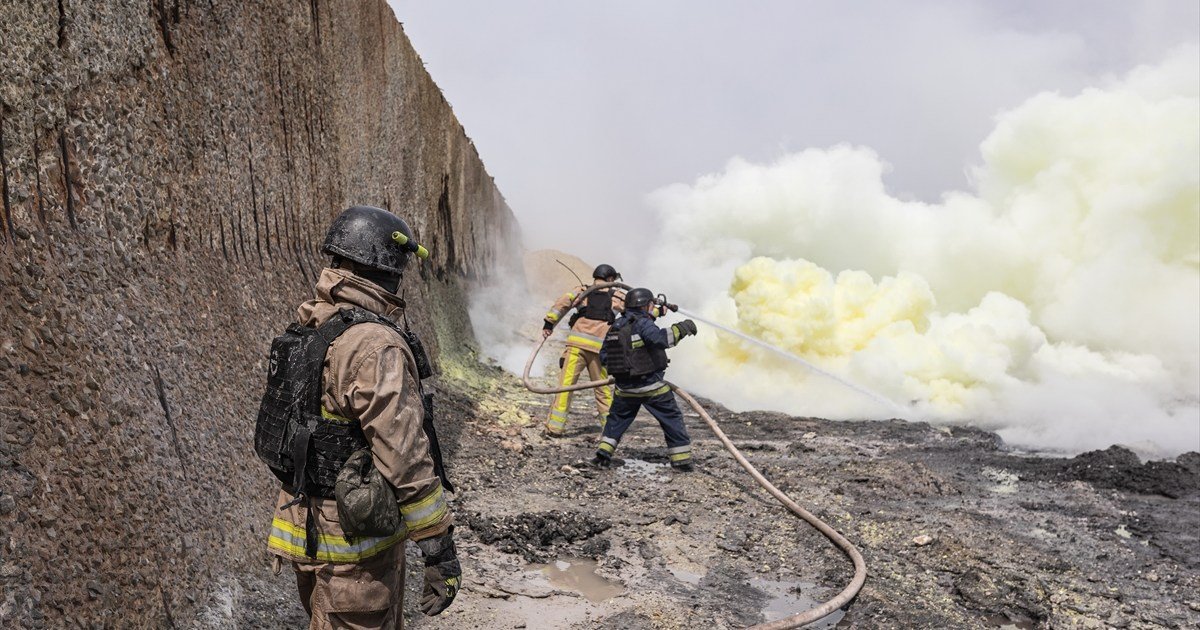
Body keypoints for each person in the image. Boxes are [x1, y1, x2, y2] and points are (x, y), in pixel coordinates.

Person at [255, 205, 460, 629]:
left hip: (301, 520)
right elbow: (403, 454)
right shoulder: (375, 344)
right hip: (355, 539)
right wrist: (438, 545)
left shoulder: (314, 325)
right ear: (390, 271)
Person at [594, 287, 699, 471]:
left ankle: (603, 455)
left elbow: (604, 357)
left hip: (624, 389)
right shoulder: (643, 323)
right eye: (651, 305)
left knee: (617, 420)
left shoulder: (616, 326)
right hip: (651, 387)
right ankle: (682, 461)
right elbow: (660, 339)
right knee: (671, 418)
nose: (652, 308)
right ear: (645, 306)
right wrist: (682, 328)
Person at [540, 264, 626, 436]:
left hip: (575, 347)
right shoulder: (617, 296)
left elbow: (561, 304)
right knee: (602, 390)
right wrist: (658, 309)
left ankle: (555, 428)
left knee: (565, 386)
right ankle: (610, 431)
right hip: (598, 350)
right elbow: (637, 308)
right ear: (610, 279)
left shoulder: (581, 291)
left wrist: (549, 323)